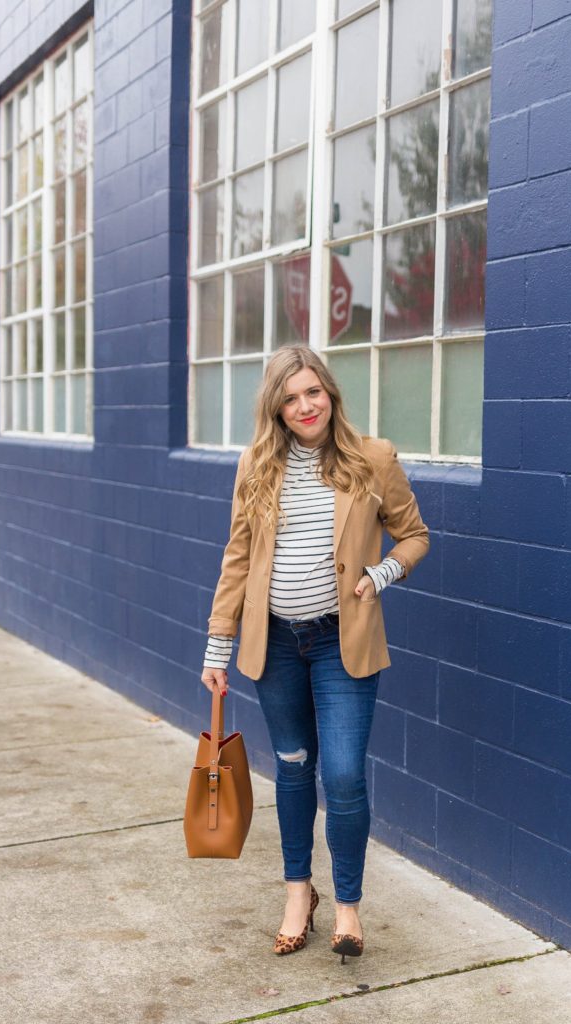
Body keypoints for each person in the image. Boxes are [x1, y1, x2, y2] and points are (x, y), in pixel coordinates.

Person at [200, 345, 429, 963]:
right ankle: (299, 894)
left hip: (341, 641)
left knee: (345, 773)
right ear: (275, 407)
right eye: (290, 397)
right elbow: (237, 558)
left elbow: (414, 535)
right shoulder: (255, 465)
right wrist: (217, 647)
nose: (305, 406)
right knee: (294, 767)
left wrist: (381, 574)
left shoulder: (373, 459)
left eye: (313, 393)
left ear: (330, 393)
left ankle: (348, 904)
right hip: (272, 644)